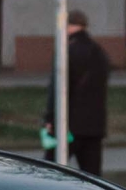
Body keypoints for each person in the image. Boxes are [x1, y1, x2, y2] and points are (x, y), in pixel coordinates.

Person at [41, 10, 113, 175]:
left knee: (48, 171)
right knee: (93, 177)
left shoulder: (66, 51)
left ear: (68, 26)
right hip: (94, 125)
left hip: (68, 124)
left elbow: (56, 88)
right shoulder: (99, 52)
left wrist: (50, 118)